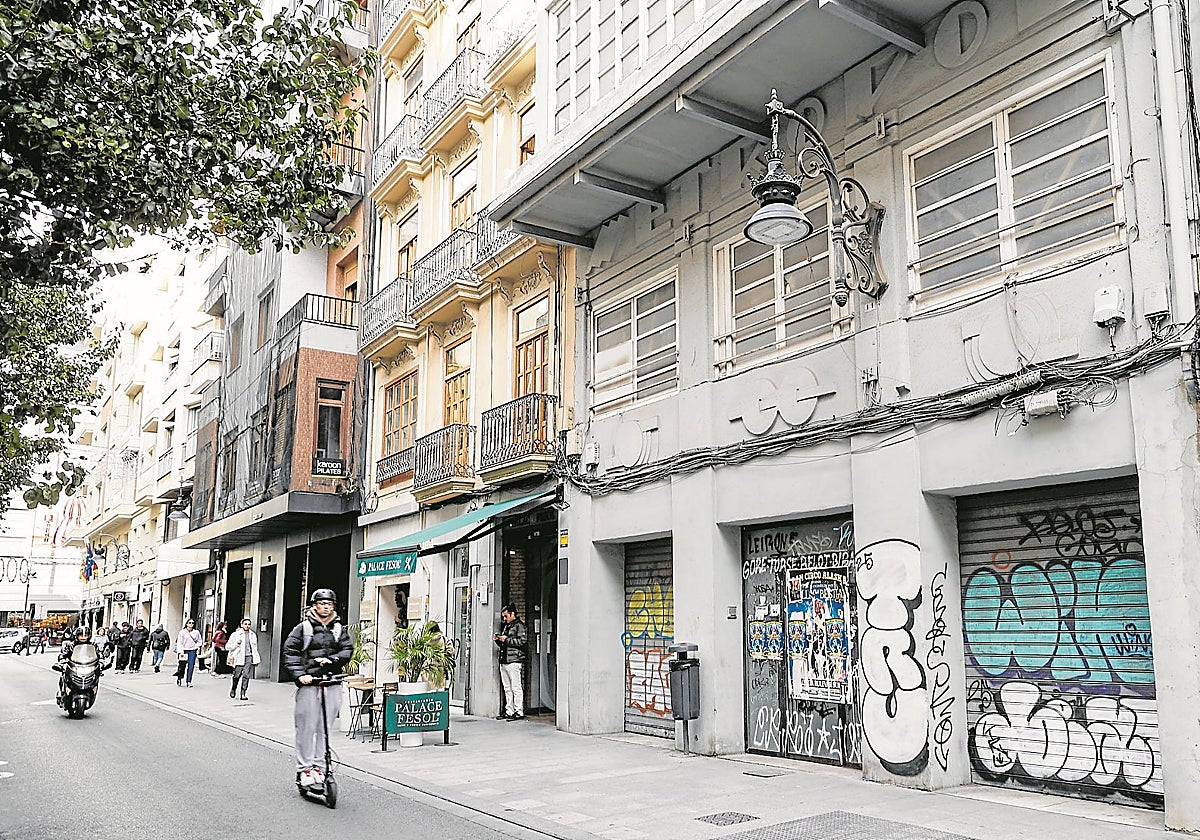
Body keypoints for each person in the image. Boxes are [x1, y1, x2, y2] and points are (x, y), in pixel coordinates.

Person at [282, 589, 351, 790]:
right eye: (322, 603)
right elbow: (290, 652)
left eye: (329, 603)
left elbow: (347, 650)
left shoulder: (338, 629)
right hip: (309, 684)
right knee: (306, 727)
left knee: (325, 729)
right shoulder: (302, 629)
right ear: (314, 606)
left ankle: (320, 767)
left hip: (331, 683)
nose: (326, 606)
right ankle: (304, 769)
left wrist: (332, 660)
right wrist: (299, 675)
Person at [493, 604, 527, 721]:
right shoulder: (507, 626)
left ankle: (519, 711)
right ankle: (509, 711)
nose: (504, 619)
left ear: (513, 614)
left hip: (514, 660)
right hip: (505, 660)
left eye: (506, 616)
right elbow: (506, 644)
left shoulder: (520, 626)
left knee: (515, 687)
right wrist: (499, 640)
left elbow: (523, 642)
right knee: (507, 688)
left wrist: (506, 639)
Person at [225, 618, 260, 701]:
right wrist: (236, 643)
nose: (247, 626)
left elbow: (254, 648)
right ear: (242, 625)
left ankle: (243, 693)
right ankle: (233, 688)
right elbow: (227, 647)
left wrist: (256, 659)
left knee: (246, 675)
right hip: (239, 657)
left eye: (249, 624)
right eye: (245, 624)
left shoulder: (253, 635)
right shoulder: (235, 634)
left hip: (249, 657)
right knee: (237, 675)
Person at [174, 619, 203, 687]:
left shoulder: (196, 632)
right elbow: (180, 642)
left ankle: (189, 681)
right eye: (189, 623)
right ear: (186, 624)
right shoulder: (182, 632)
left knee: (191, 665)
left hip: (192, 650)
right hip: (184, 650)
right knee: (182, 665)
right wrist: (180, 651)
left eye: (192, 623)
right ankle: (180, 677)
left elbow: (199, 641)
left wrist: (196, 646)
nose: (191, 624)